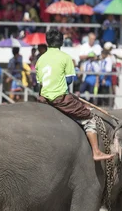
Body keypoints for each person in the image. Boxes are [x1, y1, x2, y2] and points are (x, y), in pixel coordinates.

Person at [36, 29, 113, 162]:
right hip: (60, 98)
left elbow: (40, 83)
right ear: (61, 42)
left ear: (47, 42)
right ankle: (96, 152)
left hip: (43, 98)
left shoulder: (40, 59)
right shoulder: (65, 57)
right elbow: (70, 80)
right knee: (89, 117)